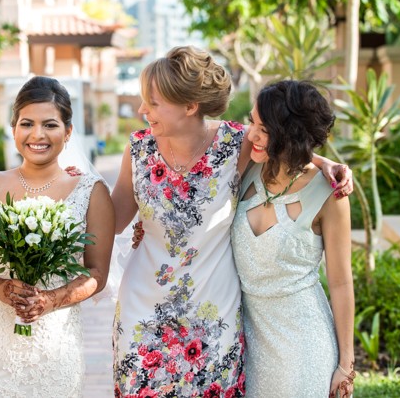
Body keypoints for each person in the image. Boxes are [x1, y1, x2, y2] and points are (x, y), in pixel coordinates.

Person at [111, 46, 352, 397]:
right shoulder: (138, 150)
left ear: (190, 106)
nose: (142, 110)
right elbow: (111, 220)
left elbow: (284, 142)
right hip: (142, 314)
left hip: (213, 321)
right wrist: (70, 192)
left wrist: (324, 163)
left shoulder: (233, 145)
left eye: (153, 102)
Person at [0, 75, 115, 397]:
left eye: (50, 125)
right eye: (27, 124)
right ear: (13, 128)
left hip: (53, 347)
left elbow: (96, 273)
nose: (37, 135)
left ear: (68, 132)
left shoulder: (90, 192)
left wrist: (50, 300)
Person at [231, 80, 354, 398]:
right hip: (246, 343)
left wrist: (346, 365)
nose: (251, 135)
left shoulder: (331, 195)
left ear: (289, 135)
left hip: (303, 345)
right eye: (252, 122)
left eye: (263, 129)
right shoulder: (247, 164)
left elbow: (341, 282)